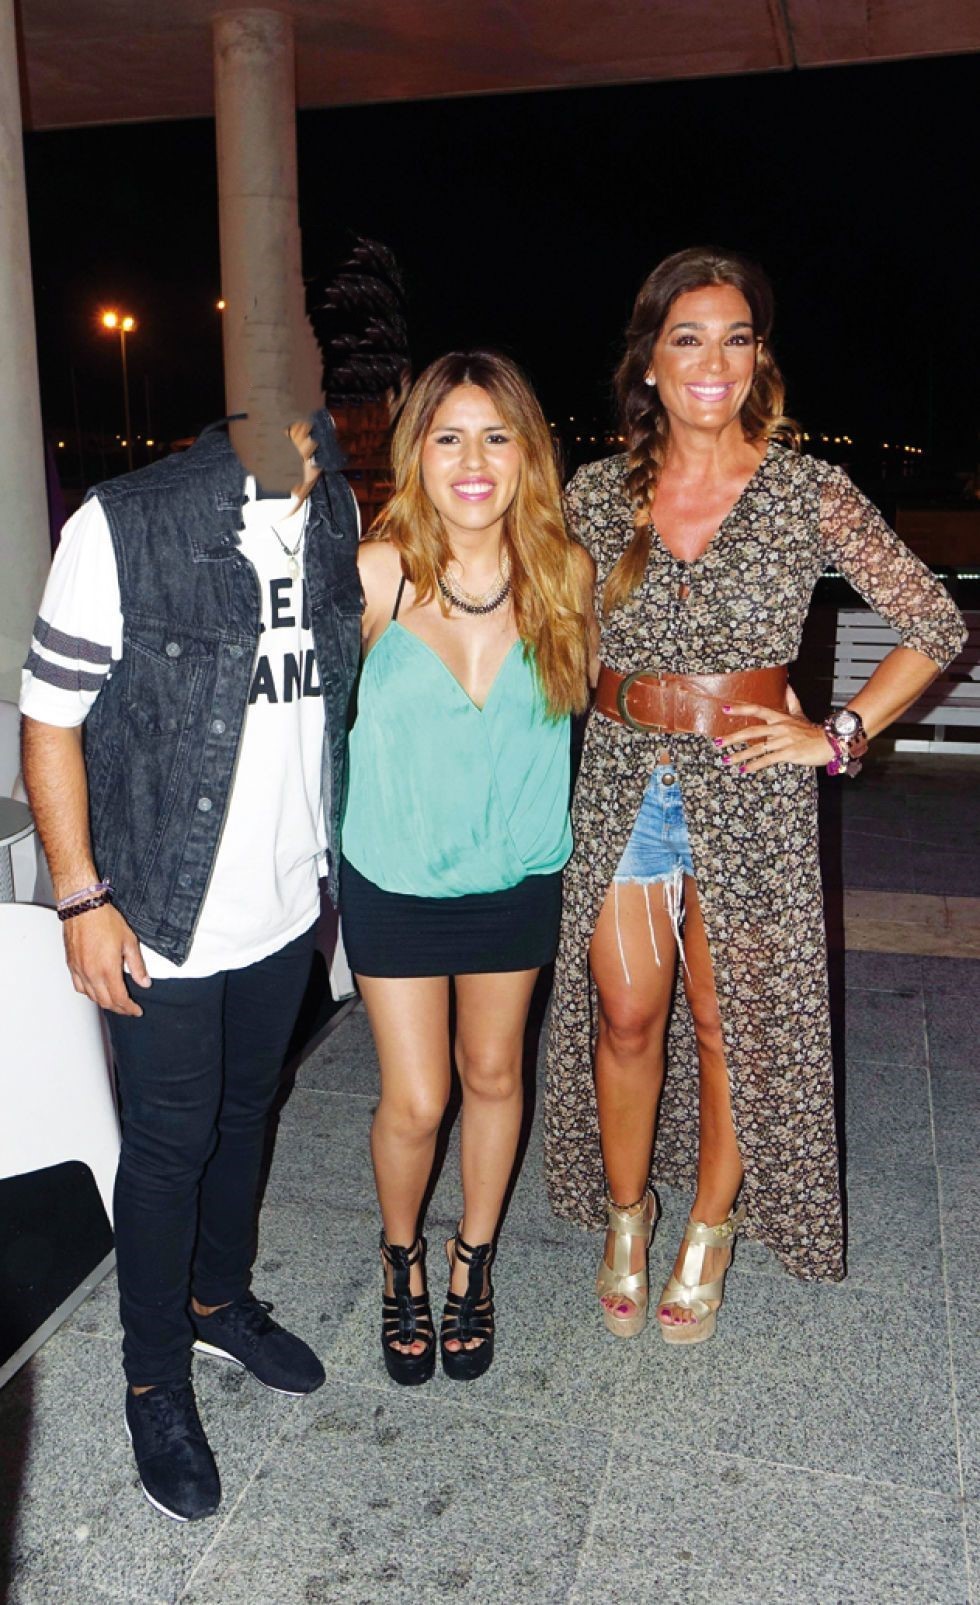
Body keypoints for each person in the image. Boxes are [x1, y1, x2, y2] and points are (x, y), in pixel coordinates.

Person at [544, 247, 966, 1344]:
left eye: (736, 338)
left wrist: (838, 732)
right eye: (688, 338)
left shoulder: (803, 489)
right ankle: (627, 1214)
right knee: (624, 1013)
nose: (713, 361)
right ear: (649, 361)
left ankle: (707, 1228)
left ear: (758, 357)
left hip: (751, 788)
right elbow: (533, 619)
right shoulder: (596, 494)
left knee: (730, 1020)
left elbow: (934, 621)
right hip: (623, 779)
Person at [20, 411, 362, 1520]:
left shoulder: (336, 513)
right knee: (168, 1146)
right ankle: (153, 1376)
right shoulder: (127, 521)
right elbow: (49, 716)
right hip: (160, 906)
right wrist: (82, 895)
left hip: (286, 900)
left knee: (247, 1111)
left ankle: (218, 1303)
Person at [341, 351, 592, 1384]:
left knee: (494, 1075)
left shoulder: (565, 576)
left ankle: (471, 1263)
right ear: (417, 454)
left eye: (495, 436)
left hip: (515, 878)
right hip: (394, 876)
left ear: (528, 453)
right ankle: (400, 1256)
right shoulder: (378, 573)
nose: (473, 460)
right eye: (448, 437)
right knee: (417, 1098)